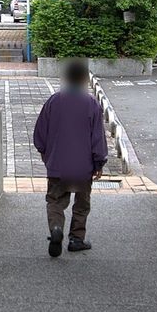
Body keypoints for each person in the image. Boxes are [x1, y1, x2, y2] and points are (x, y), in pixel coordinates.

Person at [32, 59, 108, 257]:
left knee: (55, 201)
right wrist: (99, 162)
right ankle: (76, 239)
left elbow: (40, 133)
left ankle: (56, 228)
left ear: (65, 79)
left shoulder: (53, 101)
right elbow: (97, 137)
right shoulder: (91, 104)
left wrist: (46, 155)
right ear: (84, 80)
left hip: (57, 165)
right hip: (83, 167)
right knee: (82, 204)